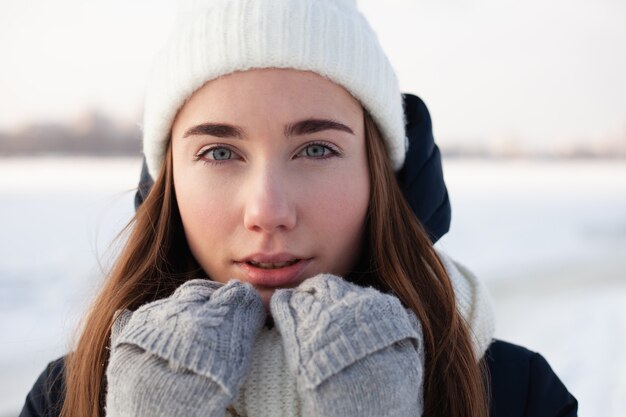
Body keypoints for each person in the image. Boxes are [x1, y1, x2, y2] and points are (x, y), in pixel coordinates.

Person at [19, 0, 578, 416]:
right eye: (218, 152)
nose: (268, 210)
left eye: (316, 148)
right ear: (167, 184)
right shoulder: (69, 398)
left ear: (379, 175)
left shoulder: (515, 393)